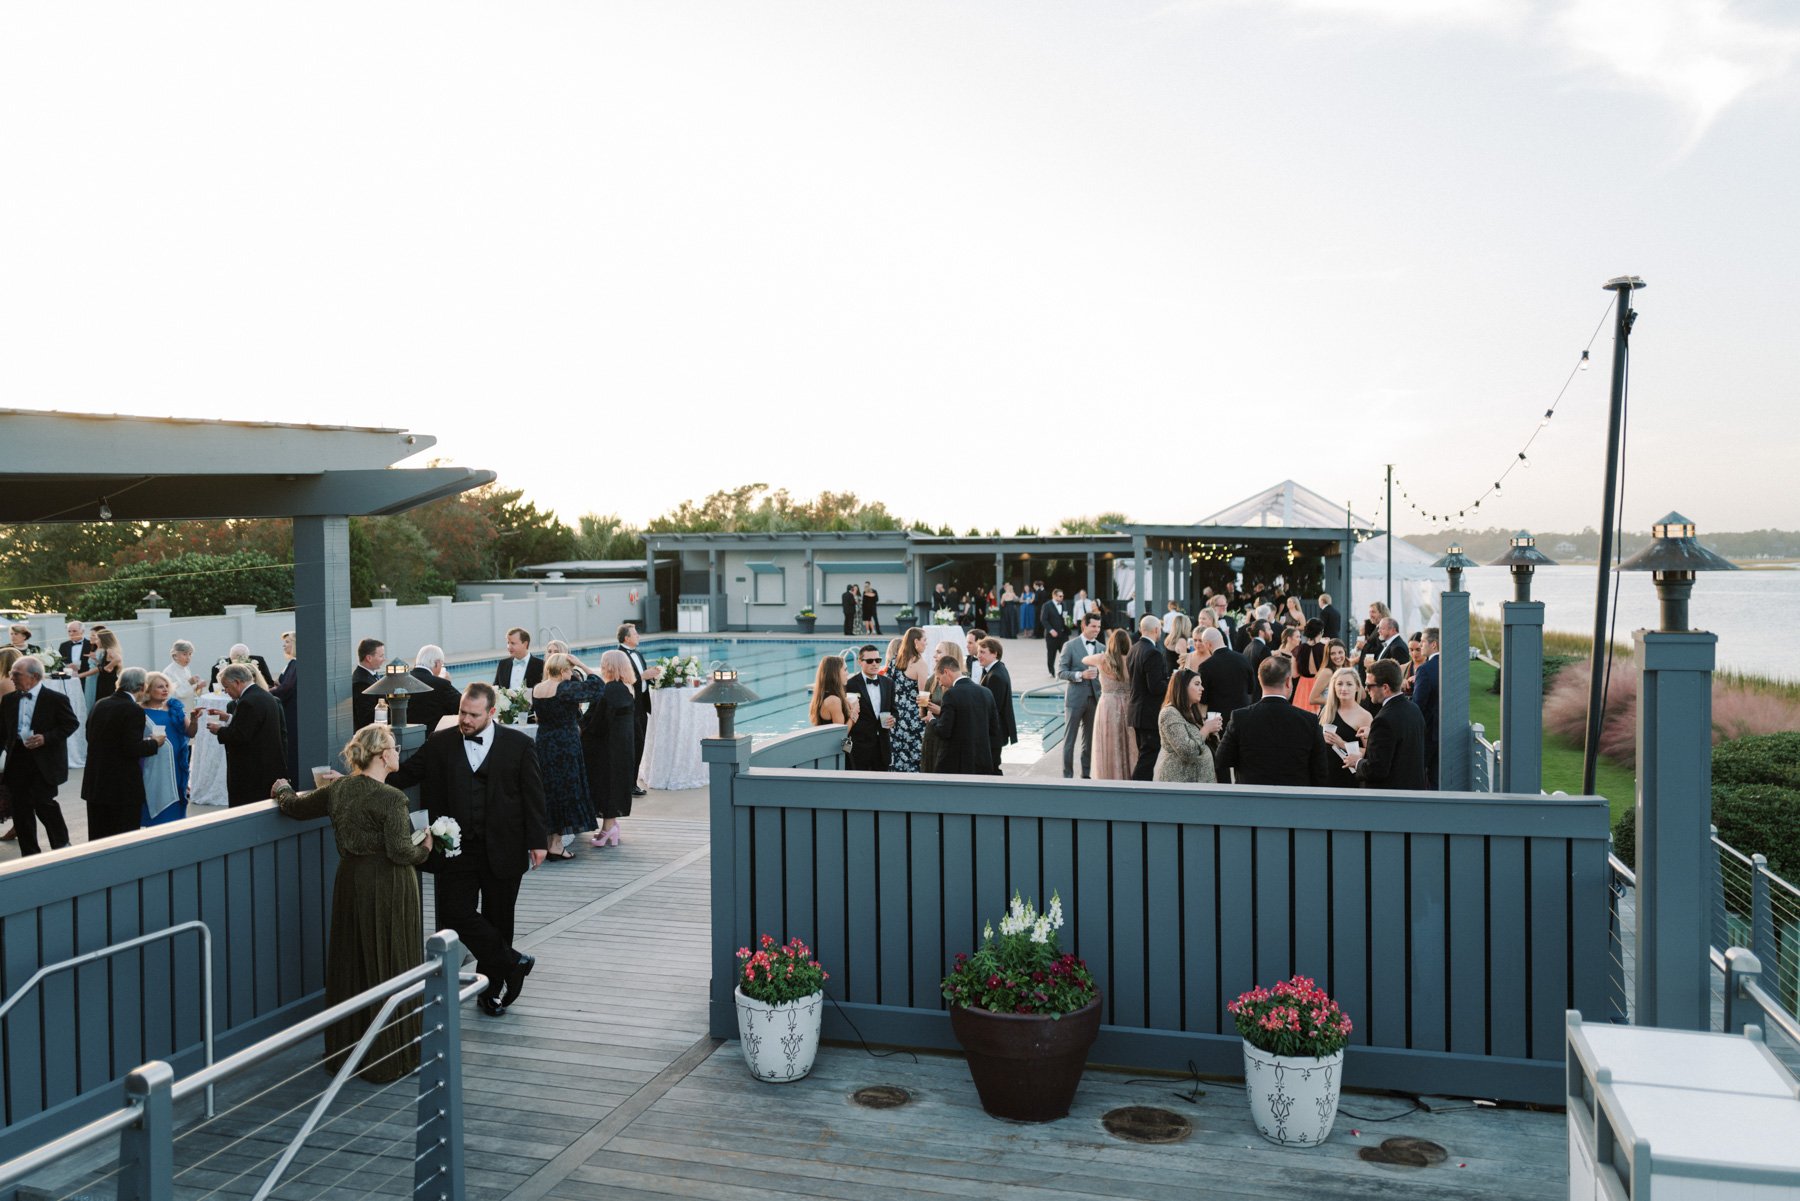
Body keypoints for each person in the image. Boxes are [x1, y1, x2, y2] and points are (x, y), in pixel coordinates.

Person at [274, 724, 433, 1080]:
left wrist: (282, 788)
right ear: (381, 755)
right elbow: (399, 850)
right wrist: (424, 848)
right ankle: (390, 1056)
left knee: (352, 960)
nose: (397, 752)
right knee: (390, 957)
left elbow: (294, 808)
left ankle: (347, 1051)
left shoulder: (339, 790)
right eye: (392, 747)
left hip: (350, 880)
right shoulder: (393, 798)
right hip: (389, 884)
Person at [390, 682, 547, 1016]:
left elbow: (534, 795)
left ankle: (490, 992)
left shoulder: (519, 744)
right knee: (452, 912)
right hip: (455, 850)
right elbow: (406, 775)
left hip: (505, 847)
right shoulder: (441, 743)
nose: (465, 719)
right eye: (462, 711)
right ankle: (512, 961)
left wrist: (538, 842)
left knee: (499, 919)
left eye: (473, 714)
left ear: (492, 712)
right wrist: (363, 777)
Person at [1213, 654, 1334, 787]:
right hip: (1295, 798)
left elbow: (1222, 760)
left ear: (1260, 680)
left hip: (1252, 797)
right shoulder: (1308, 720)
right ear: (1288, 681)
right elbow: (1320, 770)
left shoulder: (1240, 718)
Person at [529, 652, 605, 861]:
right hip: (565, 743)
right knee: (565, 790)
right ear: (563, 671)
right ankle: (554, 844)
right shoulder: (564, 688)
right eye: (570, 670)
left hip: (544, 742)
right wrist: (581, 663)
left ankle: (549, 841)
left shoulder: (537, 689)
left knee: (549, 790)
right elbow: (598, 686)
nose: (571, 673)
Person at [2, 655, 78, 854]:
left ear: (34, 676)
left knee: (44, 803)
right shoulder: (9, 700)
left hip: (45, 760)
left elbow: (70, 724)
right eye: (11, 674)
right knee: (20, 808)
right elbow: (2, 731)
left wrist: (46, 738)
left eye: (16, 674)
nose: (12, 678)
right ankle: (29, 854)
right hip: (17, 759)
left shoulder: (55, 699)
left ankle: (61, 846)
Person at [81, 666, 165, 840]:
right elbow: (132, 748)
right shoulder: (133, 710)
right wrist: (153, 743)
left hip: (96, 781)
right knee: (123, 837)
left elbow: (89, 735)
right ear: (142, 687)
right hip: (121, 786)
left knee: (98, 836)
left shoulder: (100, 703)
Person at [211, 663, 288, 807]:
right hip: (267, 766)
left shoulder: (248, 701)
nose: (226, 691)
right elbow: (254, 726)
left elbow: (240, 736)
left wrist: (219, 730)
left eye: (226, 687)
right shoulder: (264, 696)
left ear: (237, 682)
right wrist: (229, 718)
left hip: (252, 772)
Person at [1346, 659, 1429, 790]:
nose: (1366, 690)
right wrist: (1373, 734)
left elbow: (1376, 770)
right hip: (1414, 792)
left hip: (1390, 798)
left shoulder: (1383, 720)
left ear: (1385, 688)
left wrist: (1357, 763)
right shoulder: (1414, 709)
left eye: (1369, 685)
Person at [583, 651, 638, 847]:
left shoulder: (611, 690)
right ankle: (611, 826)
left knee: (607, 786)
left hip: (608, 749)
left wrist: (580, 728)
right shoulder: (625, 688)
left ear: (610, 666)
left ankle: (607, 829)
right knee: (614, 785)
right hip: (621, 747)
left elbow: (598, 723)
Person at [927, 656, 1001, 775]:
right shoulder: (986, 692)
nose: (940, 683)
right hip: (982, 761)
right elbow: (994, 730)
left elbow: (944, 731)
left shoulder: (950, 695)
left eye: (939, 678)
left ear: (946, 672)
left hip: (956, 764)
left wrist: (931, 720)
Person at [139, 671, 192, 826]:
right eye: (159, 687)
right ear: (148, 690)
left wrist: (194, 720)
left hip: (176, 762)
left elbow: (190, 732)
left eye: (166, 686)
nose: (165, 689)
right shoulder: (138, 710)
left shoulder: (174, 707)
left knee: (176, 794)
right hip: (152, 762)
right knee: (155, 793)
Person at [1083, 629, 1136, 781]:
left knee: (1108, 741)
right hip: (1128, 704)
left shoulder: (1102, 659)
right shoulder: (1132, 660)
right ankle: (1129, 776)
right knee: (1128, 742)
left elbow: (1084, 660)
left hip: (1108, 705)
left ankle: (1108, 776)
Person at [1056, 612, 1104, 779]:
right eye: (1093, 626)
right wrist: (1080, 675)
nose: (1097, 630)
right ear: (1084, 626)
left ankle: (1086, 775)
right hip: (1075, 699)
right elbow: (1061, 672)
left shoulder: (1102, 648)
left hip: (1095, 699)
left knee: (1090, 740)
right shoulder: (1070, 646)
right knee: (1069, 739)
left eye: (1099, 626)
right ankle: (1067, 776)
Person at [1154, 668, 1221, 783]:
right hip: (1179, 784)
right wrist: (1206, 729)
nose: (1202, 688)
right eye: (1197, 684)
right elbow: (1187, 752)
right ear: (1182, 687)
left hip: (1198, 784)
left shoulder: (1192, 711)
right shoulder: (1169, 713)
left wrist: (1212, 732)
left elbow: (1201, 744)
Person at [617, 623, 660, 797]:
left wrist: (656, 678)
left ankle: (632, 782)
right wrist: (643, 676)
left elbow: (643, 679)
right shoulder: (618, 655)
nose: (638, 636)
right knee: (632, 745)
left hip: (641, 705)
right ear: (626, 638)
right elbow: (620, 681)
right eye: (635, 634)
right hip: (629, 705)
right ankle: (628, 784)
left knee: (639, 744)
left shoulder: (638, 654)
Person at [1127, 615, 1169, 781]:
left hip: (1136, 711)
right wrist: (1172, 682)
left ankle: (1143, 789)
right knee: (1147, 757)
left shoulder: (1134, 648)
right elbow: (1156, 687)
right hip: (1148, 713)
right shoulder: (1153, 653)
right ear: (1157, 630)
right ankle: (1136, 790)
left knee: (1144, 755)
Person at [1318, 666, 1374, 789]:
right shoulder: (1326, 711)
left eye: (1349, 684)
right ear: (1333, 687)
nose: (1344, 688)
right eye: (1339, 684)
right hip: (1325, 773)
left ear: (1357, 687)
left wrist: (1342, 743)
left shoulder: (1364, 716)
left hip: (1349, 777)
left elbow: (1371, 752)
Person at [844, 644, 895, 772]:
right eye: (870, 661)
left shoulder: (888, 683)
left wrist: (893, 719)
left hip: (883, 746)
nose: (874, 664)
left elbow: (894, 710)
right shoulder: (850, 685)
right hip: (860, 747)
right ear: (860, 662)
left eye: (878, 660)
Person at [1196, 627, 1256, 727]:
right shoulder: (1243, 659)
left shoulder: (1205, 666)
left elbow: (1203, 698)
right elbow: (1251, 689)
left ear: (1208, 644)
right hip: (1243, 715)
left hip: (1219, 720)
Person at [888, 628, 929, 772]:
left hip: (895, 715)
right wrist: (925, 717)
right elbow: (923, 697)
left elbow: (888, 688)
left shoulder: (895, 660)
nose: (926, 644)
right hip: (912, 717)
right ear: (916, 641)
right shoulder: (920, 664)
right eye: (924, 640)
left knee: (897, 754)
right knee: (914, 755)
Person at [975, 637, 1017, 754]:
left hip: (993, 733)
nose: (978, 655)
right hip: (995, 732)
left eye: (983, 652)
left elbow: (992, 709)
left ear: (994, 654)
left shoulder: (995, 676)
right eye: (978, 652)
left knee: (992, 768)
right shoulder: (998, 668)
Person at [408, 645, 464, 732]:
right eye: (442, 665)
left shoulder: (402, 680)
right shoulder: (441, 684)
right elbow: (462, 705)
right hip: (432, 737)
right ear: (436, 663)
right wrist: (448, 683)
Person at [269, 631, 301, 785]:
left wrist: (268, 693)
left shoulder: (296, 663)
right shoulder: (292, 663)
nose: (284, 645)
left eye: (287, 642)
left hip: (291, 711)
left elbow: (287, 688)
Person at [1412, 627, 1442, 787]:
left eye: (1423, 641)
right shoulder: (1449, 666)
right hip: (1446, 732)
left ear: (1434, 645)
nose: (1420, 645)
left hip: (1428, 732)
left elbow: (1418, 704)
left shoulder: (1424, 669)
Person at [493, 627, 544, 694]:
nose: (509, 647)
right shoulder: (502, 664)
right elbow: (496, 689)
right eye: (508, 643)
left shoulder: (541, 665)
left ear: (525, 644)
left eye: (513, 643)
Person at [808, 654, 853, 726]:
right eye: (845, 670)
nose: (848, 673)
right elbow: (840, 734)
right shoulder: (833, 700)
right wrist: (853, 716)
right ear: (835, 673)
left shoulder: (823, 694)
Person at [351, 638, 387, 729]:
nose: (384, 659)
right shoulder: (361, 682)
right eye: (381, 656)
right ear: (369, 658)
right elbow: (367, 717)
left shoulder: (371, 675)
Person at [1308, 639, 1351, 710]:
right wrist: (1338, 702)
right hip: (1330, 715)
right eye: (1333, 653)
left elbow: (1362, 695)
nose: (1337, 656)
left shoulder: (1346, 669)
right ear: (1328, 656)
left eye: (1340, 652)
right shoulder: (1327, 672)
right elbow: (1312, 699)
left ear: (1345, 653)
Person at [86, 627, 123, 703]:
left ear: (103, 640)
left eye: (97, 639)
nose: (96, 642)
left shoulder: (110, 650)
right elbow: (103, 667)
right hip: (103, 682)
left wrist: (108, 667)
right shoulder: (106, 651)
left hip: (107, 683)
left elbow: (118, 659)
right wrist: (96, 661)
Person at [1040, 588, 1069, 675]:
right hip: (1051, 635)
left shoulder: (1064, 604)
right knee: (1051, 654)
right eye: (1060, 596)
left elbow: (1065, 616)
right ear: (1054, 596)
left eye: (1062, 596)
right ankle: (1051, 671)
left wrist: (1069, 622)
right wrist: (1051, 630)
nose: (1062, 597)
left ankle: (1065, 670)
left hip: (1063, 634)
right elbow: (1043, 619)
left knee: (1065, 653)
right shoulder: (1047, 605)